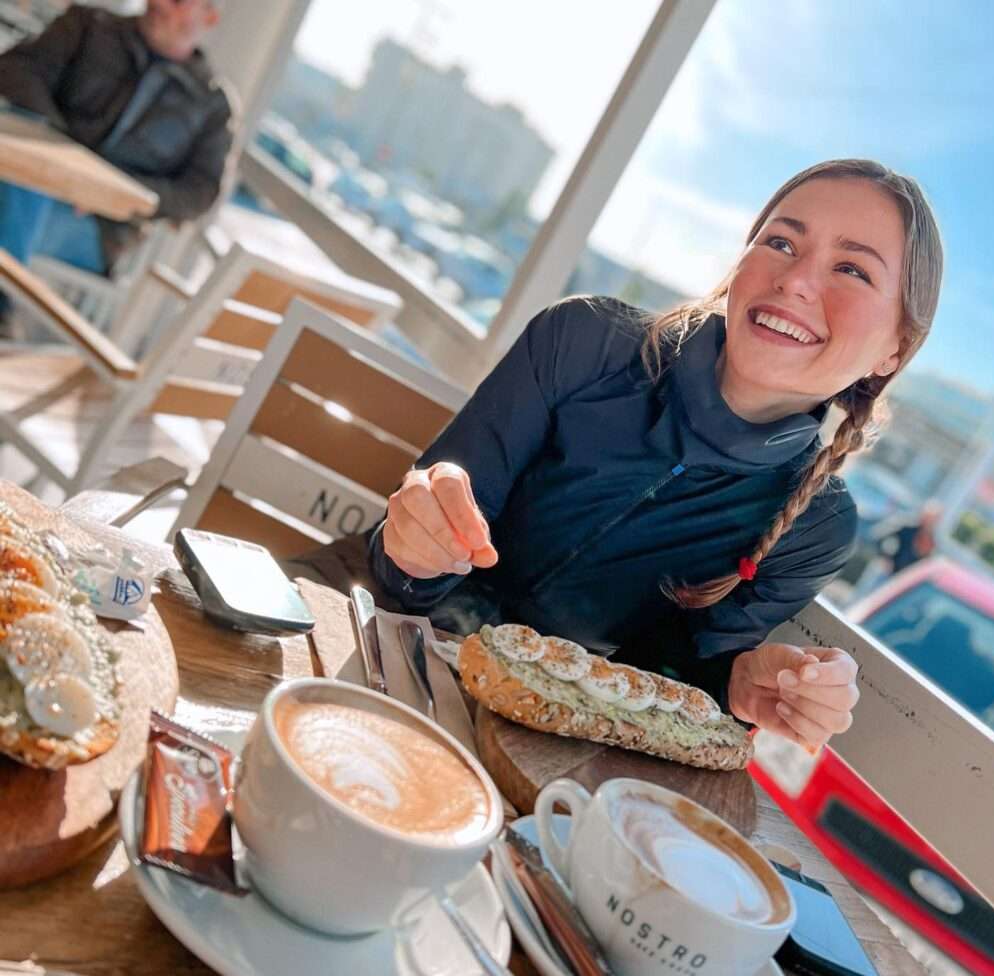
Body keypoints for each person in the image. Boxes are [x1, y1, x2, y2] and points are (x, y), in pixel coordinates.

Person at [298, 158, 944, 750]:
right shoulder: (586, 341)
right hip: (367, 620)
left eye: (852, 270)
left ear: (895, 349)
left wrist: (737, 685)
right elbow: (404, 559)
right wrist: (416, 547)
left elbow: (673, 674)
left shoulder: (817, 525)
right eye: (780, 241)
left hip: (536, 727)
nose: (797, 279)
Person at [0, 0, 233, 292]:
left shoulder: (213, 107)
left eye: (176, 0)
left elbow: (200, 193)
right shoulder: (88, 25)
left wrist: (118, 194)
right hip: (31, 181)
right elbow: (16, 69)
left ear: (209, 17)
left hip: (99, 229)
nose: (158, 2)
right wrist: (64, 156)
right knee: (26, 186)